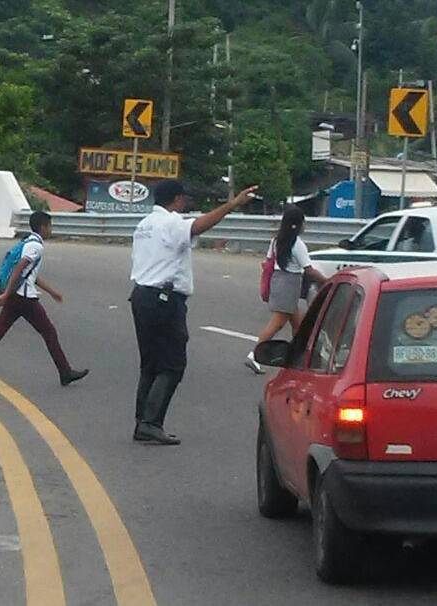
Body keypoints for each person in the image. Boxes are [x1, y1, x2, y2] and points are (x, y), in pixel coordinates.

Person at [131, 180, 258, 445]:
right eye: (184, 199)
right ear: (176, 199)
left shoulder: (144, 225)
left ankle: (142, 421)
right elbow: (200, 225)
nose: (185, 204)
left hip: (142, 295)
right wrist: (233, 204)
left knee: (151, 364)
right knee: (173, 364)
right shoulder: (171, 223)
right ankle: (151, 423)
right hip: (164, 299)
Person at [0, 211, 89, 388]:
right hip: (24, 298)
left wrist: (52, 292)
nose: (50, 230)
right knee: (49, 332)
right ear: (43, 227)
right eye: (50, 226)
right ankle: (65, 372)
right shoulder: (36, 246)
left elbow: (30, 274)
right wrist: (6, 295)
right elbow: (19, 268)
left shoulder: (27, 242)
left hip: (17, 296)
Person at [245, 205, 326, 374]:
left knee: (300, 323)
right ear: (298, 224)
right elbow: (308, 269)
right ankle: (254, 355)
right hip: (290, 284)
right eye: (304, 222)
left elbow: (268, 261)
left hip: (278, 281)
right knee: (277, 323)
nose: (305, 226)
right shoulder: (298, 244)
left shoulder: (276, 240)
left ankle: (298, 358)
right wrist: (326, 281)